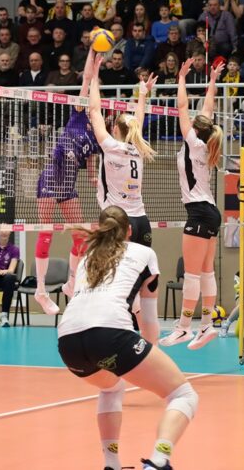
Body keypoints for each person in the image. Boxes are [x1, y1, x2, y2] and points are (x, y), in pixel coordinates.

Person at [57, 206, 195, 470]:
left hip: (68, 341)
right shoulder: (144, 253)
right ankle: (158, 460)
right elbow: (149, 320)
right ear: (130, 230)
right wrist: (150, 354)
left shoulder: (87, 257)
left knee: (111, 388)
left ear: (100, 229)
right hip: (110, 334)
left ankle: (111, 463)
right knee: (183, 395)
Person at [88, 68, 159, 343]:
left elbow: (94, 111)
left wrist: (94, 78)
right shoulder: (137, 147)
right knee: (144, 287)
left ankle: (116, 333)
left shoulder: (111, 146)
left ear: (115, 130)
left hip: (119, 222)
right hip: (141, 221)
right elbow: (137, 120)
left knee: (114, 280)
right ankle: (151, 346)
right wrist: (143, 93)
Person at [159, 58, 224, 350]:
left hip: (198, 210)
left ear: (195, 131)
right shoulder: (207, 141)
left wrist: (182, 78)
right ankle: (207, 324)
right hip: (210, 211)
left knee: (193, 274)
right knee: (207, 271)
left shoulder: (194, 142)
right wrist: (212, 80)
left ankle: (184, 328)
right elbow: (207, 108)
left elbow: (183, 107)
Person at [33, 50, 101, 315]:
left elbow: (91, 158)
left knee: (81, 235)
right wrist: (93, 56)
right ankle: (40, 290)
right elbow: (86, 80)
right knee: (46, 232)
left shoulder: (96, 133)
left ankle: (71, 283)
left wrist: (93, 176)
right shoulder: (79, 115)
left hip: (69, 185)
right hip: (51, 178)